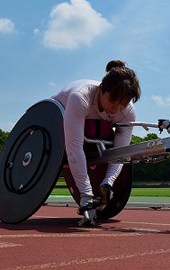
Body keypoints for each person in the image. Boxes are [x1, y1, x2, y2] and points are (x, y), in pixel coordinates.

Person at [51, 60, 141, 224]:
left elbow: (120, 152)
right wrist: (86, 195)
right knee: (91, 128)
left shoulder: (128, 111)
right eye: (113, 101)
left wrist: (108, 182)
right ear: (101, 89)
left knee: (100, 130)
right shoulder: (80, 97)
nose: (117, 108)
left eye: (123, 104)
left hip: (93, 126)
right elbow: (73, 149)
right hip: (58, 118)